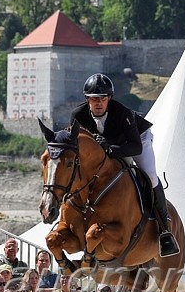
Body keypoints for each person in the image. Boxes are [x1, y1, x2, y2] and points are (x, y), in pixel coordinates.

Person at [70, 73, 179, 257]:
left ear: (109, 99)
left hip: (134, 141)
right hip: (106, 148)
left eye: (103, 99)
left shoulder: (123, 113)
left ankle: (164, 229)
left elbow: (135, 147)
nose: (99, 103)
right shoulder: (78, 115)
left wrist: (110, 149)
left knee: (150, 175)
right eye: (94, 99)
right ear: (87, 99)